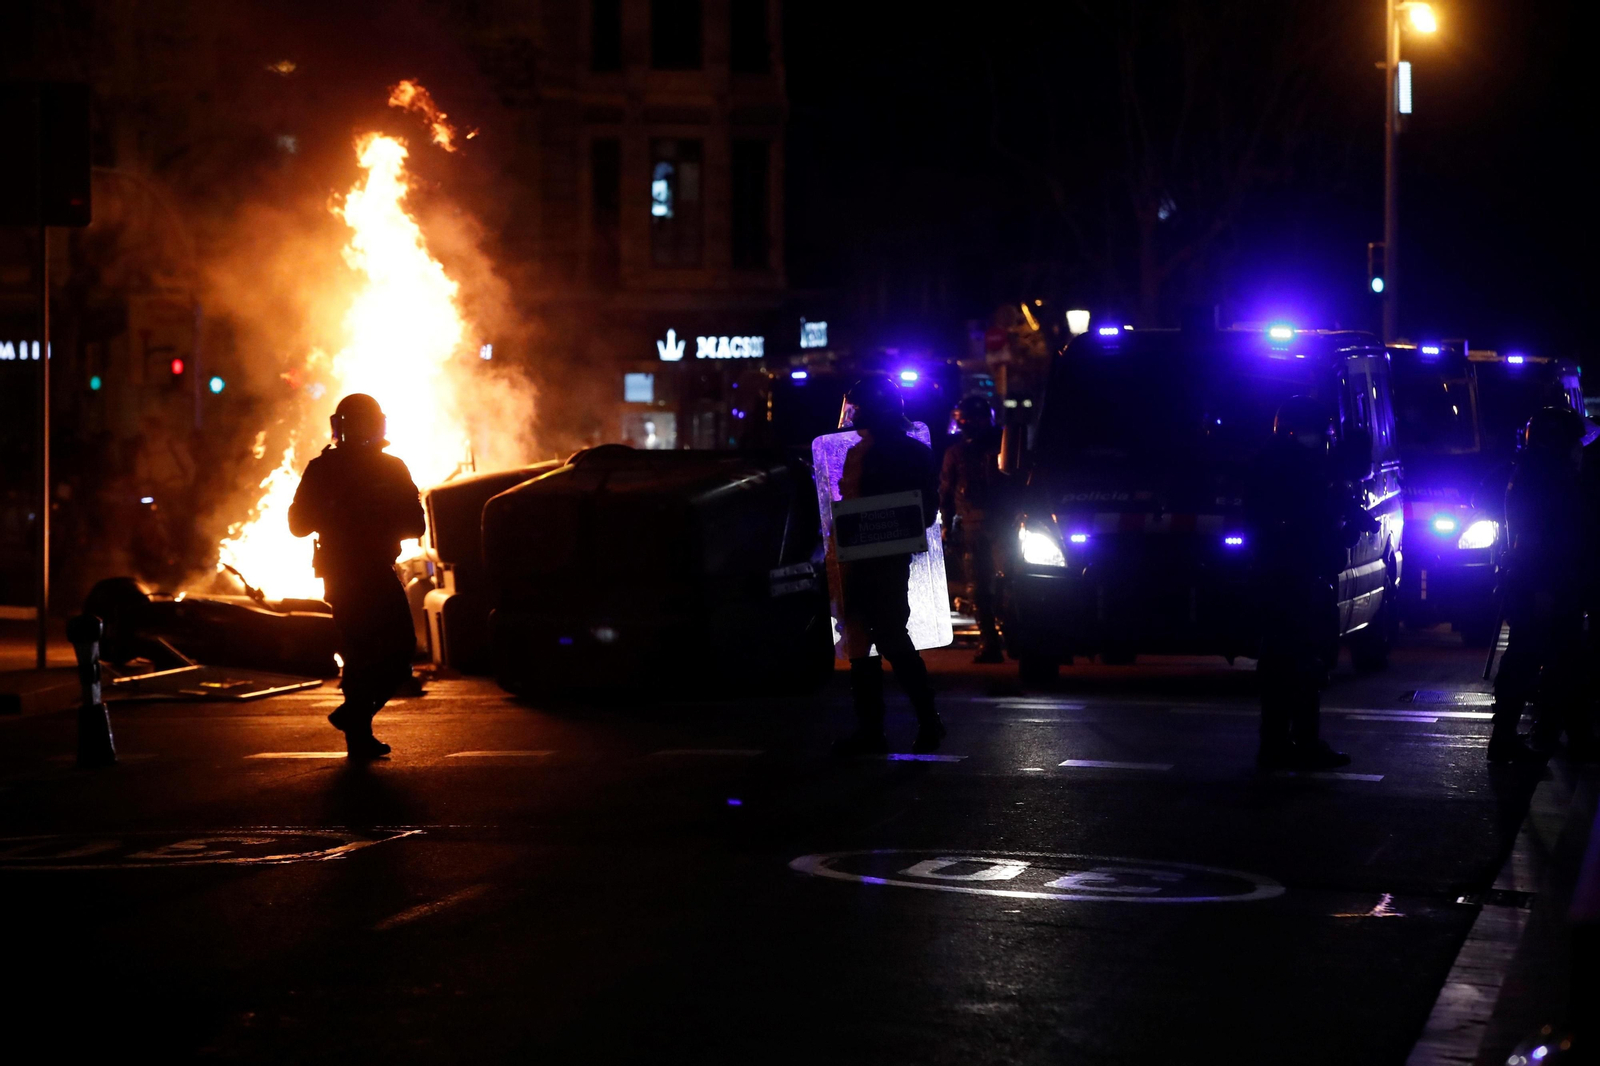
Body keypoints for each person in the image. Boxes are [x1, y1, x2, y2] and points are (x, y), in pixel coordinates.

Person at [288, 394, 425, 758]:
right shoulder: (325, 469)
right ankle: (358, 734)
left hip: (372, 569)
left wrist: (374, 515)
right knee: (362, 653)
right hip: (345, 573)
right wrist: (334, 511)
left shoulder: (390, 468)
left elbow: (416, 523)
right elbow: (297, 524)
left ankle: (355, 717)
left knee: (398, 654)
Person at [1246, 396, 1364, 771]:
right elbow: (1313, 522)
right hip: (1298, 576)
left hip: (1284, 575)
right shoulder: (1299, 470)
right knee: (1303, 658)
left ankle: (1279, 743)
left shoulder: (1273, 463)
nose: (1324, 439)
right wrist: (1342, 520)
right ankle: (1300, 742)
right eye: (1320, 432)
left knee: (1285, 659)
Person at [834, 373, 945, 755]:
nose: (852, 416)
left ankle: (899, 727)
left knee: (880, 638)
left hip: (873, 559)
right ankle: (916, 723)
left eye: (858, 408)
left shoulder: (866, 453)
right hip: (883, 557)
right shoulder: (914, 451)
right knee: (873, 639)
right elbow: (927, 510)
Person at [1490, 406, 1590, 764]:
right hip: (1542, 583)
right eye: (1574, 443)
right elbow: (1544, 539)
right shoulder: (1546, 482)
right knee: (1533, 658)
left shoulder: (1537, 475)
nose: (1579, 451)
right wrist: (1544, 588)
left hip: (1543, 581)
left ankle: (1549, 731)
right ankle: (1514, 736)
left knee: (1556, 658)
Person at [940, 394, 1007, 662]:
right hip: (975, 527)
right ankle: (990, 642)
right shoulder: (957, 453)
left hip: (1000, 525)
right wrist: (947, 525)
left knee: (1003, 582)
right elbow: (947, 493)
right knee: (979, 587)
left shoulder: (1003, 446)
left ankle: (1003, 638)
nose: (963, 425)